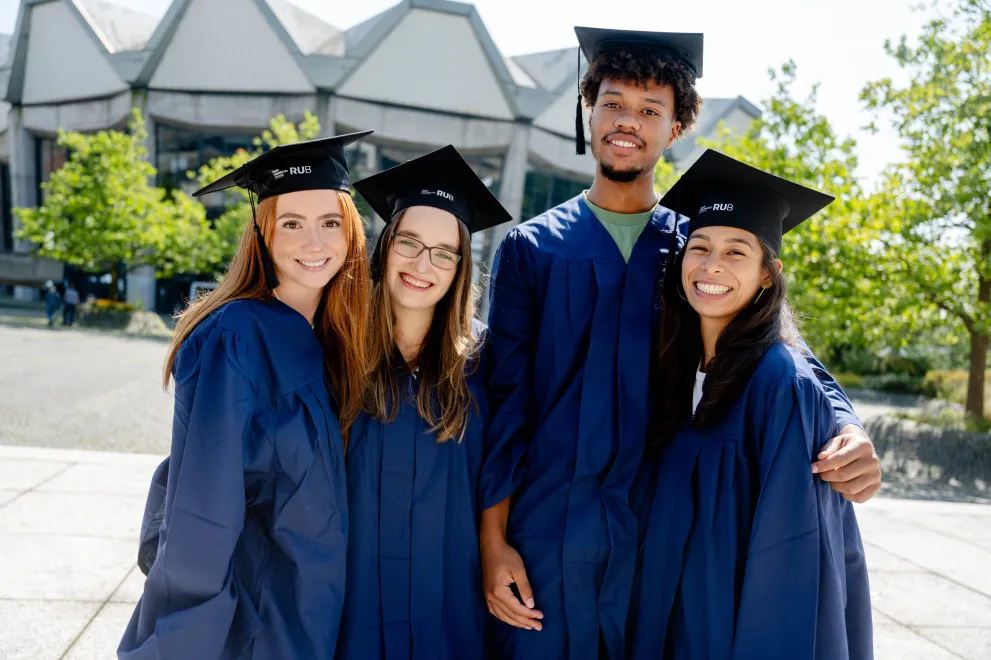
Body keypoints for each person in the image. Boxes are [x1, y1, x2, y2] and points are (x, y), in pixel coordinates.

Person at [480, 27, 882, 660]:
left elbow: (769, 342)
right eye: (613, 103)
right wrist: (493, 541)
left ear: (675, 130)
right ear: (588, 110)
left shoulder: (690, 247)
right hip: (545, 539)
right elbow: (501, 403)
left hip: (657, 540)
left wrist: (842, 420)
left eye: (650, 111)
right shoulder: (533, 249)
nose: (627, 122)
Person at [119, 131, 373, 659]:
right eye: (292, 224)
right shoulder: (236, 335)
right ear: (262, 233)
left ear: (350, 232)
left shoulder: (332, 338)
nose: (315, 243)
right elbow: (201, 508)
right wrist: (185, 642)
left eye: (330, 223)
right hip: (257, 618)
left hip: (313, 606)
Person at [628, 150, 873, 659]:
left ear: (768, 273)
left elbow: (791, 561)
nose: (711, 265)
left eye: (737, 252)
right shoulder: (675, 366)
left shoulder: (781, 383)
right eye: (700, 247)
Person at [336, 146, 511, 660]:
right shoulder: (336, 350)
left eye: (444, 251)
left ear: (460, 268)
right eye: (409, 242)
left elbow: (501, 472)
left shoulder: (486, 362)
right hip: (351, 602)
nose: (422, 264)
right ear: (385, 246)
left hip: (449, 607)